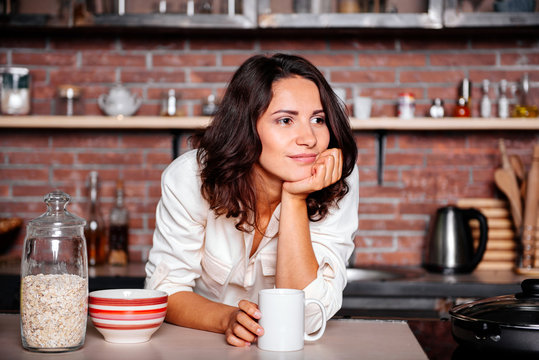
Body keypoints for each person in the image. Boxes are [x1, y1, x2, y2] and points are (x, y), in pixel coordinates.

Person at [145, 53, 359, 347]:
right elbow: (166, 290)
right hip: (202, 345)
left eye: (318, 119)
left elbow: (306, 316)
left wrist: (295, 198)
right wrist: (227, 319)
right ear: (246, 127)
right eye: (285, 120)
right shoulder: (189, 178)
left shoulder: (336, 178)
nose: (309, 138)